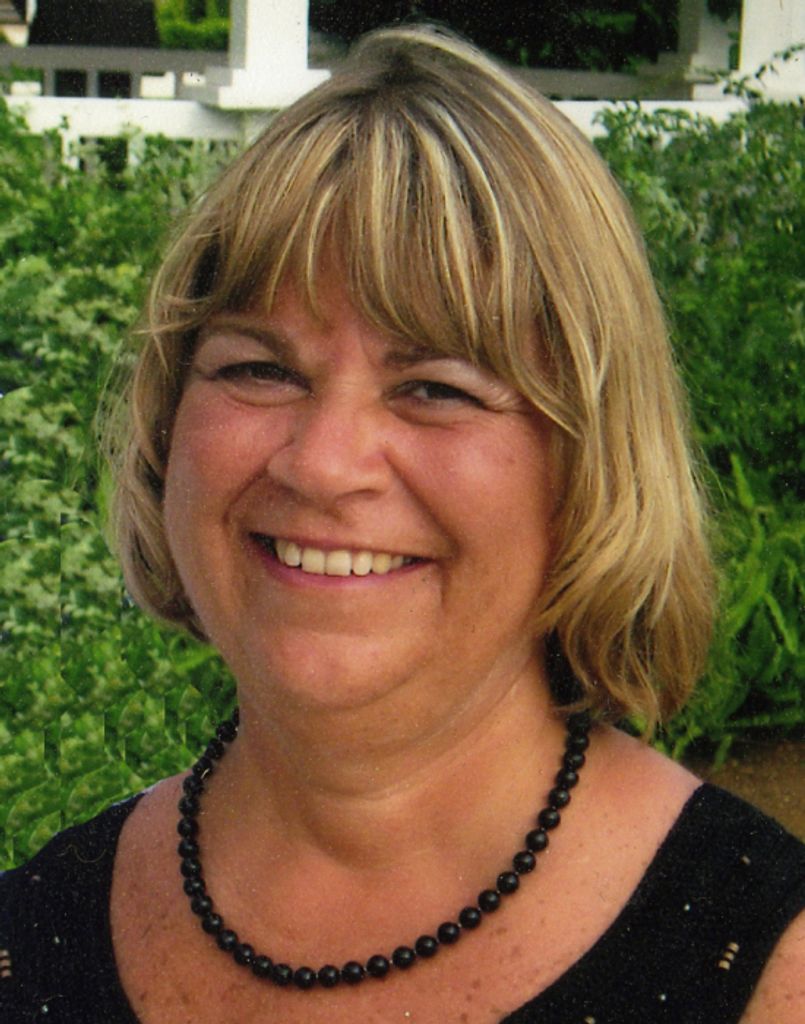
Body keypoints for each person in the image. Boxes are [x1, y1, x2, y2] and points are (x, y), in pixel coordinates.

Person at [2, 25, 803, 1024]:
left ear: (590, 464)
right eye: (259, 369)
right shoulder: (30, 937)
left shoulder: (768, 972)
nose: (322, 462)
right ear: (170, 423)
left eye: (435, 387)